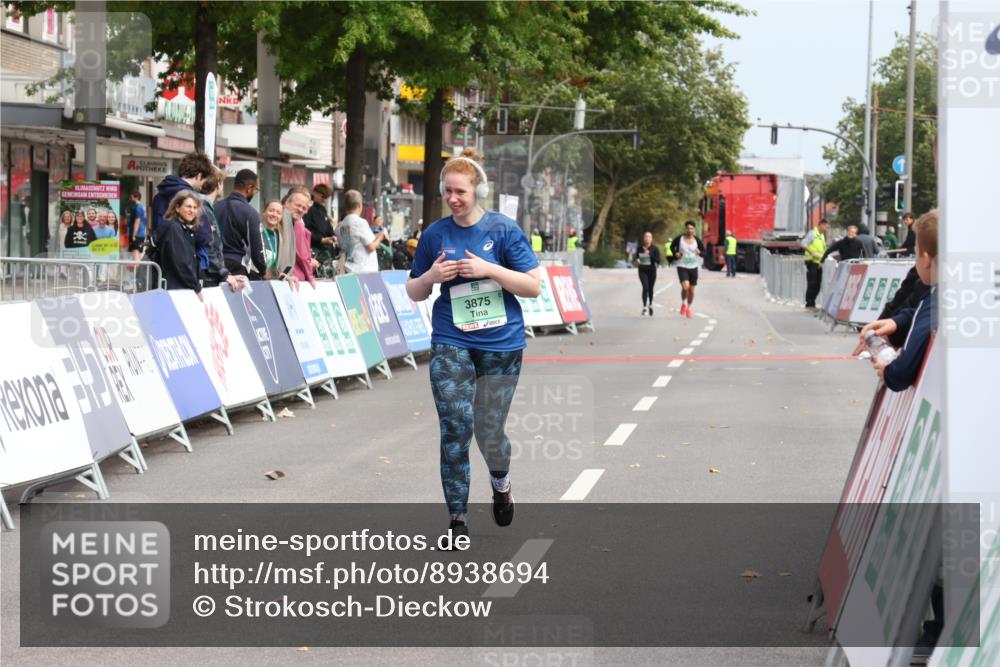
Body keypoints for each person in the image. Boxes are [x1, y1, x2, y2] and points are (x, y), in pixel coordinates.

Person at [405, 148, 541, 540]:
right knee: (455, 427)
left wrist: (488, 269)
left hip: (501, 342)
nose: (452, 198)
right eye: (447, 192)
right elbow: (414, 291)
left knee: (489, 429)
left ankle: (501, 484)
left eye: (460, 192)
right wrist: (430, 275)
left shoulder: (502, 230)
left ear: (477, 190)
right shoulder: (434, 234)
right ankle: (458, 521)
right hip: (451, 339)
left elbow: (532, 286)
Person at [857, 210, 938, 391]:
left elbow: (902, 372)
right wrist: (896, 321)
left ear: (926, 259)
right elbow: (918, 313)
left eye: (915, 254)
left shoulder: (937, 302)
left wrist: (887, 371)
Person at [150, 151, 231, 287]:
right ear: (199, 175)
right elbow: (204, 237)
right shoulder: (192, 198)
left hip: (162, 265)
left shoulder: (159, 196)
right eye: (203, 180)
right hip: (187, 268)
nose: (201, 186)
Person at [149, 191, 204, 297]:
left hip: (177, 289)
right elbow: (181, 262)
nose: (192, 210)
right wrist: (196, 287)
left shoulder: (185, 229)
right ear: (177, 208)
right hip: (171, 291)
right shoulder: (173, 228)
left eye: (194, 207)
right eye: (188, 206)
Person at [215, 169, 267, 278]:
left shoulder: (215, 207)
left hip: (215, 267)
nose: (254, 193)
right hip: (236, 268)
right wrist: (263, 271)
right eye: (255, 189)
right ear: (249, 188)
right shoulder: (251, 213)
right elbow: (257, 249)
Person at [336, 189, 384, 274]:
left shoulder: (340, 226)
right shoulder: (360, 222)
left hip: (349, 268)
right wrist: (380, 237)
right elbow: (371, 247)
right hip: (365, 270)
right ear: (359, 205)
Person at [284, 186, 318, 287]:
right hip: (293, 278)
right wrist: (310, 277)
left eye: (304, 208)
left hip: (287, 277)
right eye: (298, 205)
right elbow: (302, 256)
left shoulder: (291, 221)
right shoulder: (297, 223)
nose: (300, 209)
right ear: (287, 202)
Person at [260, 199, 300, 286]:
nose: (274, 214)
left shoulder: (279, 236)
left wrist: (284, 276)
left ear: (281, 217)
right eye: (271, 211)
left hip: (271, 283)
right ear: (264, 212)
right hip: (256, 281)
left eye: (278, 213)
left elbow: (275, 266)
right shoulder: (257, 232)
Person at [671, 220, 704, 318]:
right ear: (685, 229)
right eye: (688, 228)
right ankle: (684, 303)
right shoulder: (679, 238)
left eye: (691, 228)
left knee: (692, 290)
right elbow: (672, 247)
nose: (690, 230)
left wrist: (699, 252)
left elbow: (704, 252)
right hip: (682, 266)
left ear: (694, 229)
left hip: (693, 267)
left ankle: (689, 308)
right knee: (685, 287)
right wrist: (675, 253)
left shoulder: (697, 240)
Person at [303, 183, 337, 262]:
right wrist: (320, 239)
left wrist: (333, 235)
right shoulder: (309, 209)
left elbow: (328, 226)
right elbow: (306, 229)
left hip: (324, 248)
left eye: (326, 198)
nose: (324, 200)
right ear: (315, 193)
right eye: (323, 196)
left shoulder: (322, 209)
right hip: (313, 247)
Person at [801, 218, 829, 309]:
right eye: (825, 226)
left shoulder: (822, 235)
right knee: (812, 283)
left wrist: (822, 261)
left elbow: (823, 250)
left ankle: (813, 300)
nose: (826, 228)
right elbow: (803, 244)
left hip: (818, 263)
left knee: (818, 284)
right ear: (820, 225)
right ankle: (809, 302)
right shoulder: (813, 233)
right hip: (811, 261)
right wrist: (811, 251)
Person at [634, 231, 661, 316]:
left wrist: (650, 254)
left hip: (652, 270)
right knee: (645, 287)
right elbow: (636, 257)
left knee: (650, 289)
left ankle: (650, 304)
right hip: (642, 270)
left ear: (651, 239)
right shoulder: (640, 248)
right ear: (643, 238)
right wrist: (637, 260)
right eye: (646, 236)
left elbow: (658, 260)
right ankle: (644, 307)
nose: (647, 238)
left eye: (649, 237)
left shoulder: (655, 249)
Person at [128, 192, 147, 261]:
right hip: (141, 233)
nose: (130, 199)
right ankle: (139, 269)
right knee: (138, 252)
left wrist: (134, 234)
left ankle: (137, 269)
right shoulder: (142, 207)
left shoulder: (137, 207)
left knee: (135, 252)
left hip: (137, 233)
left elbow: (137, 221)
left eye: (131, 197)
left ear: (136, 197)